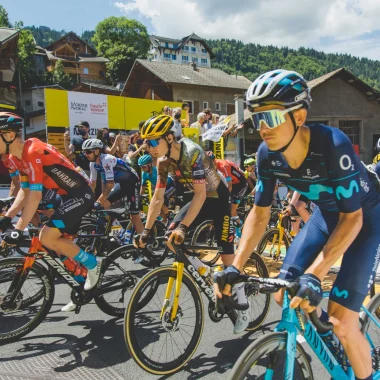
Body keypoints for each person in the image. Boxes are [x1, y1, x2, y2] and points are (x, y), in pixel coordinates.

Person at [214, 69, 380, 379]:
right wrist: (235, 266)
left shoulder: (333, 144)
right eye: (256, 118)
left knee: (342, 319)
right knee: (286, 294)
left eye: (272, 117)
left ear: (299, 115)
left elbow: (352, 218)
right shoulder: (267, 155)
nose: (263, 128)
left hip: (366, 218)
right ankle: (332, 344)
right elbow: (259, 214)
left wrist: (316, 275)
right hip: (327, 216)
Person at [134, 115, 249, 332]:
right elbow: (157, 198)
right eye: (145, 143)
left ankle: (242, 303)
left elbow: (201, 195)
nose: (148, 148)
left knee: (227, 255)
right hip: (195, 198)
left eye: (153, 142)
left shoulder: (192, 152)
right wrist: (146, 231)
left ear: (169, 137)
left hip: (217, 197)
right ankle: (204, 270)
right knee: (170, 239)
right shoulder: (162, 161)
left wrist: (184, 227)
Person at [0, 113, 102, 293]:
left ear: (8, 136)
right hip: (66, 198)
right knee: (55, 245)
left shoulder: (32, 151)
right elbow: (25, 191)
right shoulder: (16, 158)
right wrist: (7, 218)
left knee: (46, 237)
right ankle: (81, 283)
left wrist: (18, 229)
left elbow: (36, 195)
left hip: (81, 194)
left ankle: (93, 264)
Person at [84, 139, 144, 234]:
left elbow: (110, 184)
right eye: (84, 152)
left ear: (96, 151)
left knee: (134, 216)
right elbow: (92, 184)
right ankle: (120, 232)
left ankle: (143, 241)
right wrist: (87, 198)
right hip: (121, 184)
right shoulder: (92, 164)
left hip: (132, 183)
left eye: (88, 152)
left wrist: (98, 201)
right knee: (103, 206)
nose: (86, 155)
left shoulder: (106, 160)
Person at [207, 152, 248, 224]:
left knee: (232, 210)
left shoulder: (223, 165)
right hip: (233, 183)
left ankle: (240, 228)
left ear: (214, 160)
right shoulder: (212, 167)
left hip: (241, 184)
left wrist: (226, 198)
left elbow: (229, 185)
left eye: (210, 163)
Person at [138, 154, 170, 223]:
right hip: (160, 188)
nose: (142, 169)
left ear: (149, 165)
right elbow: (142, 187)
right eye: (141, 167)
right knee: (160, 211)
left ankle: (170, 216)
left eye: (143, 167)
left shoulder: (157, 170)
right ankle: (165, 223)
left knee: (159, 203)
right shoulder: (144, 173)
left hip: (169, 186)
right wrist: (139, 197)